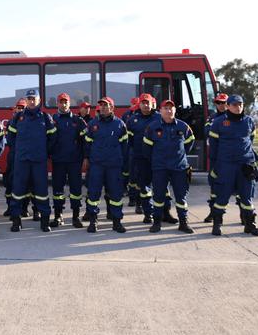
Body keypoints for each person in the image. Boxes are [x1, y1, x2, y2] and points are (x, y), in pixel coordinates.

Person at [208, 94, 258, 237]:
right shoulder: (218, 122)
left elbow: (251, 140)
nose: (238, 107)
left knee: (246, 197)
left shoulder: (249, 121)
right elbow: (213, 146)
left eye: (240, 104)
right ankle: (217, 225)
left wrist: (248, 158)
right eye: (234, 105)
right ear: (228, 106)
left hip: (245, 164)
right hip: (226, 165)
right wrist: (215, 166)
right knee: (222, 196)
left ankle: (250, 225)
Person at [6, 89, 57, 233]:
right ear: (26, 100)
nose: (31, 101)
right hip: (22, 161)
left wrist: (44, 151)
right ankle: (16, 221)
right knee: (18, 191)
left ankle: (44, 221)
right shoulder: (18, 117)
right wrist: (19, 152)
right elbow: (10, 138)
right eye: (29, 98)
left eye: (34, 98)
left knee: (41, 191)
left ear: (39, 100)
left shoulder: (45, 118)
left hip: (39, 161)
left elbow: (53, 138)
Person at [142, 99, 196, 234]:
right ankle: (157, 223)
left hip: (179, 168)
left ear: (175, 110)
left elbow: (190, 143)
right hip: (160, 168)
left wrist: (180, 155)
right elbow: (146, 149)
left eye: (171, 108)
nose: (168, 110)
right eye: (165, 108)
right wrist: (156, 160)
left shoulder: (183, 127)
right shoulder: (152, 127)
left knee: (181, 197)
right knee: (159, 197)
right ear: (160, 111)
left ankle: (183, 223)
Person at [82, 97, 128, 233]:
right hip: (97, 165)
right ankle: (93, 221)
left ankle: (116, 221)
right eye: (100, 105)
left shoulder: (120, 125)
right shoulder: (92, 124)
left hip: (114, 166)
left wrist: (122, 164)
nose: (102, 107)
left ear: (112, 108)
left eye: (105, 105)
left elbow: (124, 147)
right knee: (93, 194)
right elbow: (87, 144)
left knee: (115, 195)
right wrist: (86, 158)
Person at [50, 93, 87, 228]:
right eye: (61, 102)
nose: (63, 104)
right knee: (58, 191)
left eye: (66, 102)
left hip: (74, 161)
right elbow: (47, 140)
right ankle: (58, 216)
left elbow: (85, 141)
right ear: (57, 104)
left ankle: (75, 217)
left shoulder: (78, 121)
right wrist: (50, 154)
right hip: (58, 161)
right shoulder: (52, 120)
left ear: (69, 104)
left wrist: (85, 158)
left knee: (76, 190)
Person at [125, 93, 160, 222]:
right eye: (143, 103)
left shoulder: (159, 118)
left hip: (157, 158)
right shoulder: (133, 120)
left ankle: (164, 212)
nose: (146, 105)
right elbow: (129, 141)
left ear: (152, 104)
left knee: (161, 186)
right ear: (139, 104)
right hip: (140, 157)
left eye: (148, 103)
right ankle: (148, 213)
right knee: (144, 186)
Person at [203, 92, 229, 223]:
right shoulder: (211, 118)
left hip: (230, 158)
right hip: (215, 158)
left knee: (238, 187)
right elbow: (207, 132)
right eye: (218, 103)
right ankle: (213, 213)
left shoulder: (236, 118)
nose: (221, 105)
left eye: (223, 102)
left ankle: (245, 215)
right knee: (214, 186)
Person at [2, 98, 26, 217]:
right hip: (14, 155)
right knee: (10, 182)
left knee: (26, 183)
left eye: (22, 107)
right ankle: (10, 207)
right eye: (19, 107)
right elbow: (9, 140)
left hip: (25, 156)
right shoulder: (12, 122)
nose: (20, 110)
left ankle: (24, 208)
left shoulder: (30, 121)